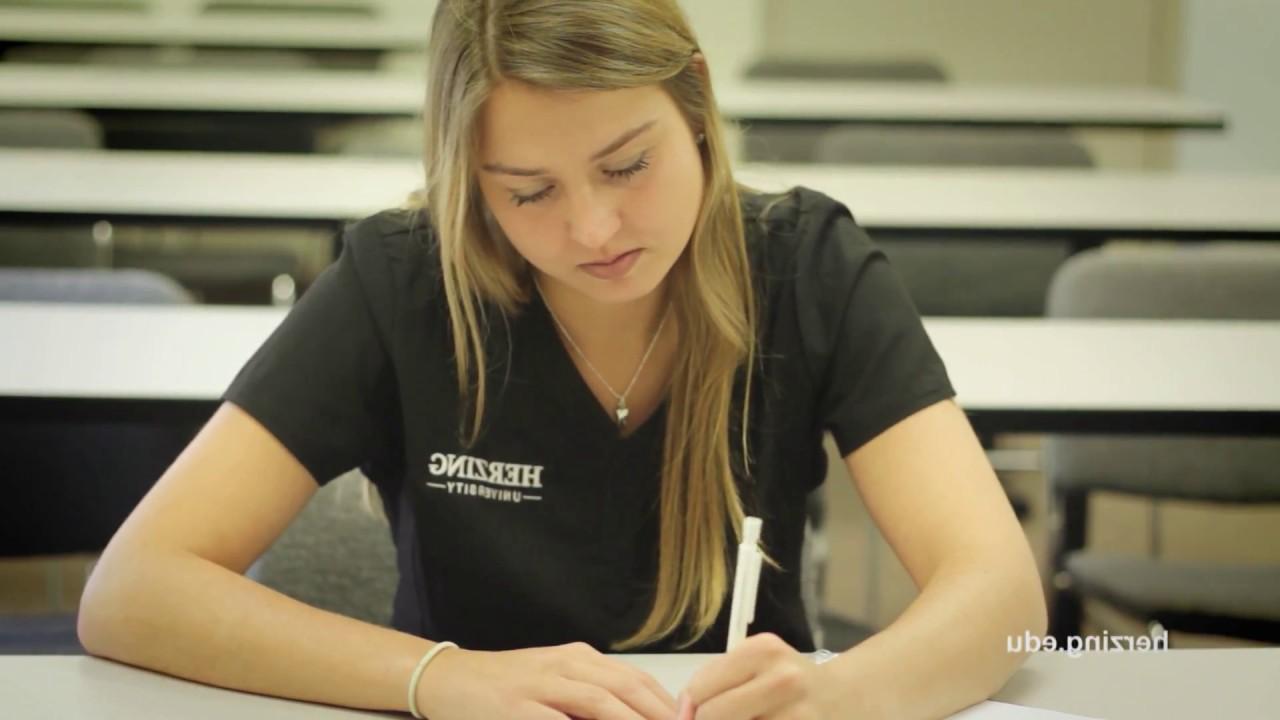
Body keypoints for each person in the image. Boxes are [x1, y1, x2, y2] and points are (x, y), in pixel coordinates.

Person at [77, 1, 1046, 718]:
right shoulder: (406, 283)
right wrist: (436, 676)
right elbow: (134, 589)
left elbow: (998, 591)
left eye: (627, 165)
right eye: (526, 191)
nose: (593, 228)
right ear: (469, 180)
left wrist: (838, 700)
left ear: (696, 100)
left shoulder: (803, 265)